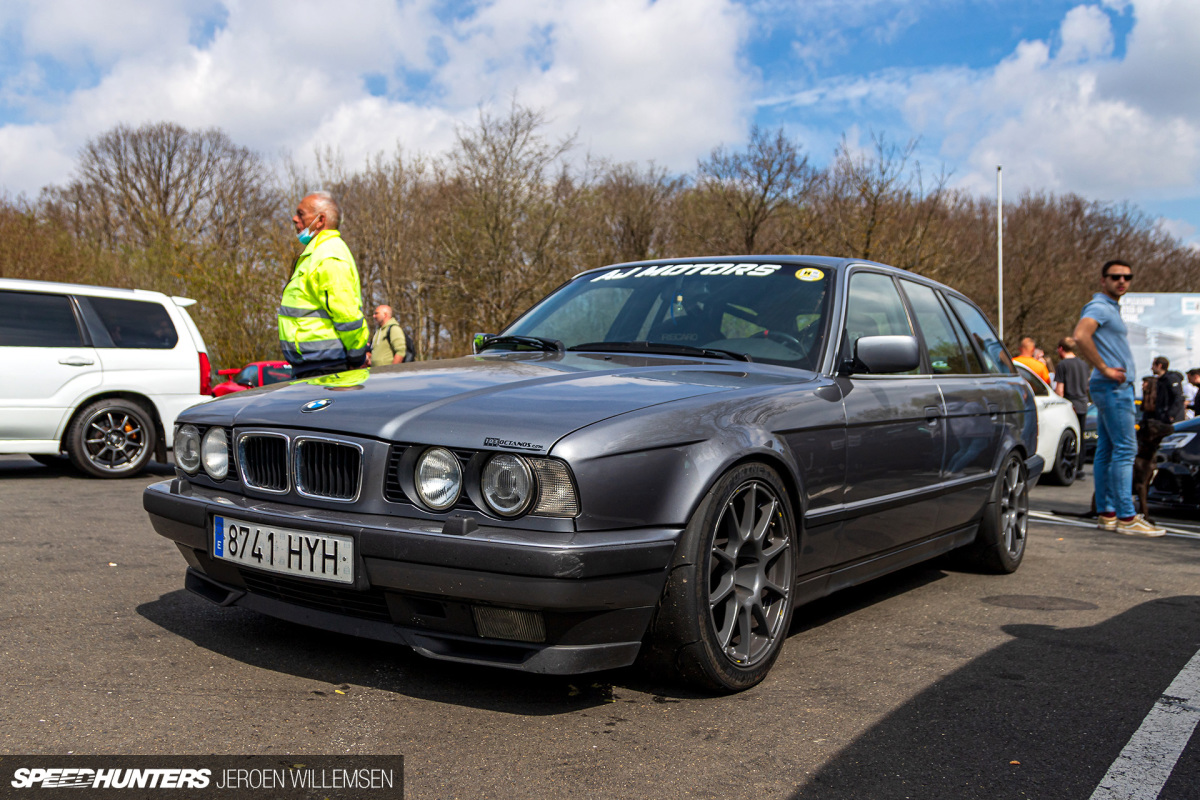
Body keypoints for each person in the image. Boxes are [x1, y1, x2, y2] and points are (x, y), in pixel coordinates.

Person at [1073, 259, 1165, 537]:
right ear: (1103, 280)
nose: (1122, 281)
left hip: (1107, 387)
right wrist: (1104, 368)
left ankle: (1108, 513)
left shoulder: (1109, 308)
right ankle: (1126, 516)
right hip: (1113, 387)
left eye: (1127, 277)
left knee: (1107, 451)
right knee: (1126, 449)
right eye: (1115, 277)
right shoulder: (1100, 307)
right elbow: (1080, 335)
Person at [278, 192, 368, 379]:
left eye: (301, 214)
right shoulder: (318, 252)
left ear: (320, 220)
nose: (295, 219)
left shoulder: (328, 255)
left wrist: (356, 355)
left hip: (327, 368)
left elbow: (346, 314)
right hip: (315, 366)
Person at [1054, 336, 1090, 474]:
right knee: (1081, 436)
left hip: (1070, 405)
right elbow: (1086, 386)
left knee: (1067, 436)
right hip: (1082, 403)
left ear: (1061, 349)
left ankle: (1069, 467)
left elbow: (1060, 389)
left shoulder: (1063, 365)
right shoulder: (1084, 365)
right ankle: (1080, 466)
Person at [1150, 356, 1186, 423]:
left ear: (1159, 366)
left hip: (1172, 419)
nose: (1151, 368)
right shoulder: (1161, 381)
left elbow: (1178, 397)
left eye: (1153, 365)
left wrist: (1171, 414)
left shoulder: (1171, 379)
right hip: (1163, 417)